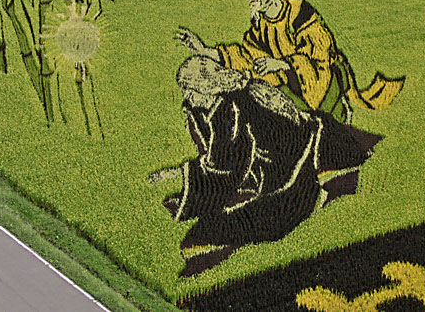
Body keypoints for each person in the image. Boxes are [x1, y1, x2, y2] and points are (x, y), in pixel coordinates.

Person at [153, 56, 382, 277]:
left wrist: (183, 183)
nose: (187, 99)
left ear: (203, 87)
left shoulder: (229, 110)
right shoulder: (239, 93)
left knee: (209, 232)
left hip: (293, 179)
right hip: (301, 154)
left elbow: (225, 169)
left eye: (188, 92)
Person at [175, 0, 405, 124]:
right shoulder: (258, 27)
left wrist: (282, 64)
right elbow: (244, 56)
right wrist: (203, 50)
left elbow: (320, 52)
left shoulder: (298, 12)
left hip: (314, 79)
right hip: (284, 80)